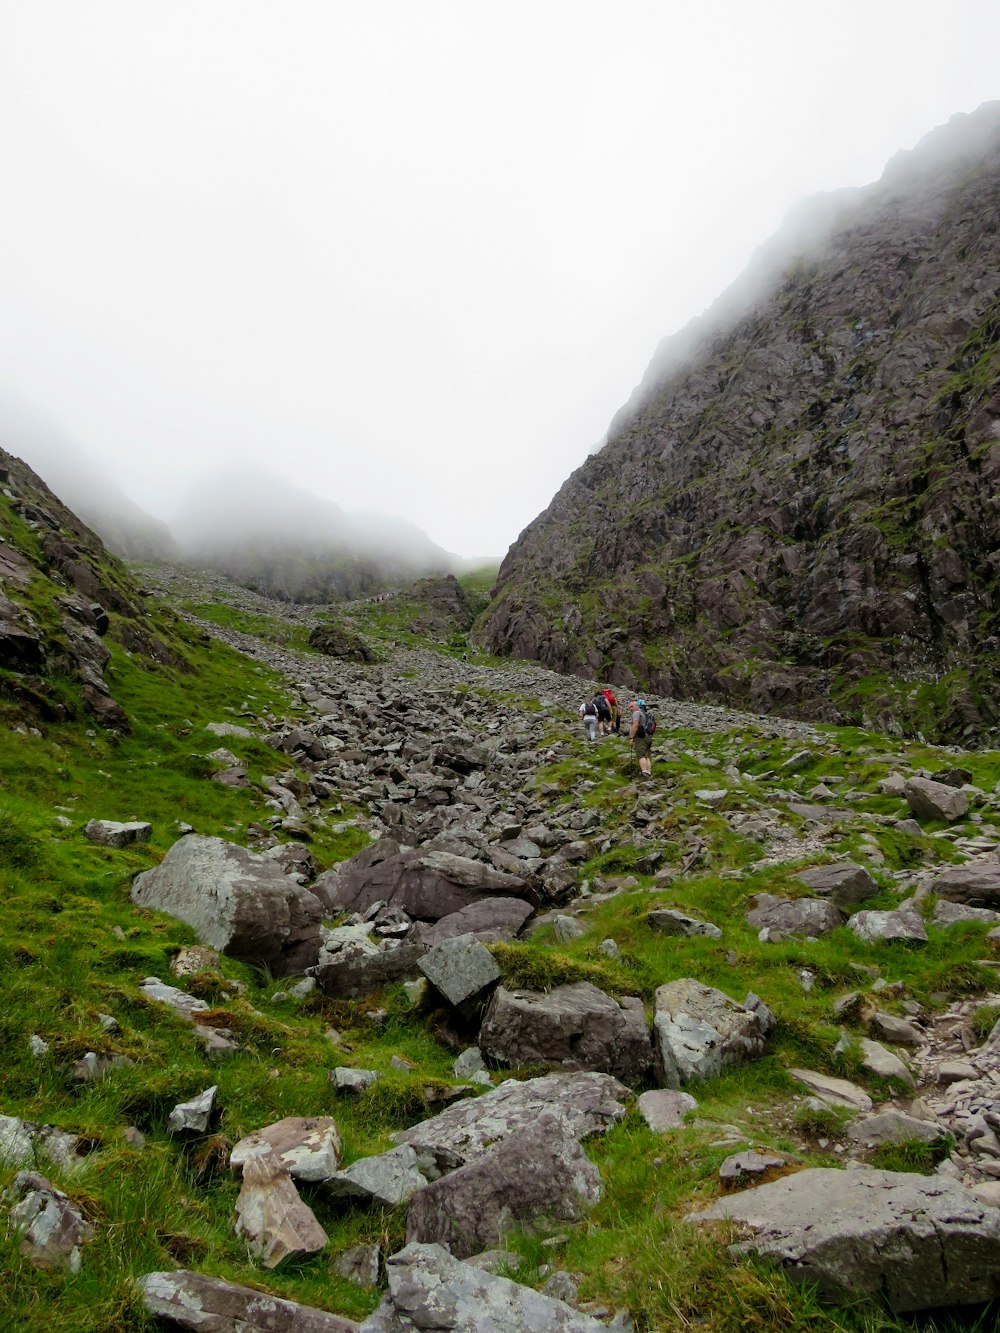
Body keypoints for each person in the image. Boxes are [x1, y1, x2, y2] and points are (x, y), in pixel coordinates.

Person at [628, 699, 652, 778]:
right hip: (648, 736)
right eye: (629, 707)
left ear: (637, 706)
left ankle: (644, 773)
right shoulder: (644, 714)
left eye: (632, 706)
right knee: (647, 755)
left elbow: (635, 725)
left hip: (640, 737)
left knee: (641, 755)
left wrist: (631, 737)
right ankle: (648, 772)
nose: (630, 708)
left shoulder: (636, 713)